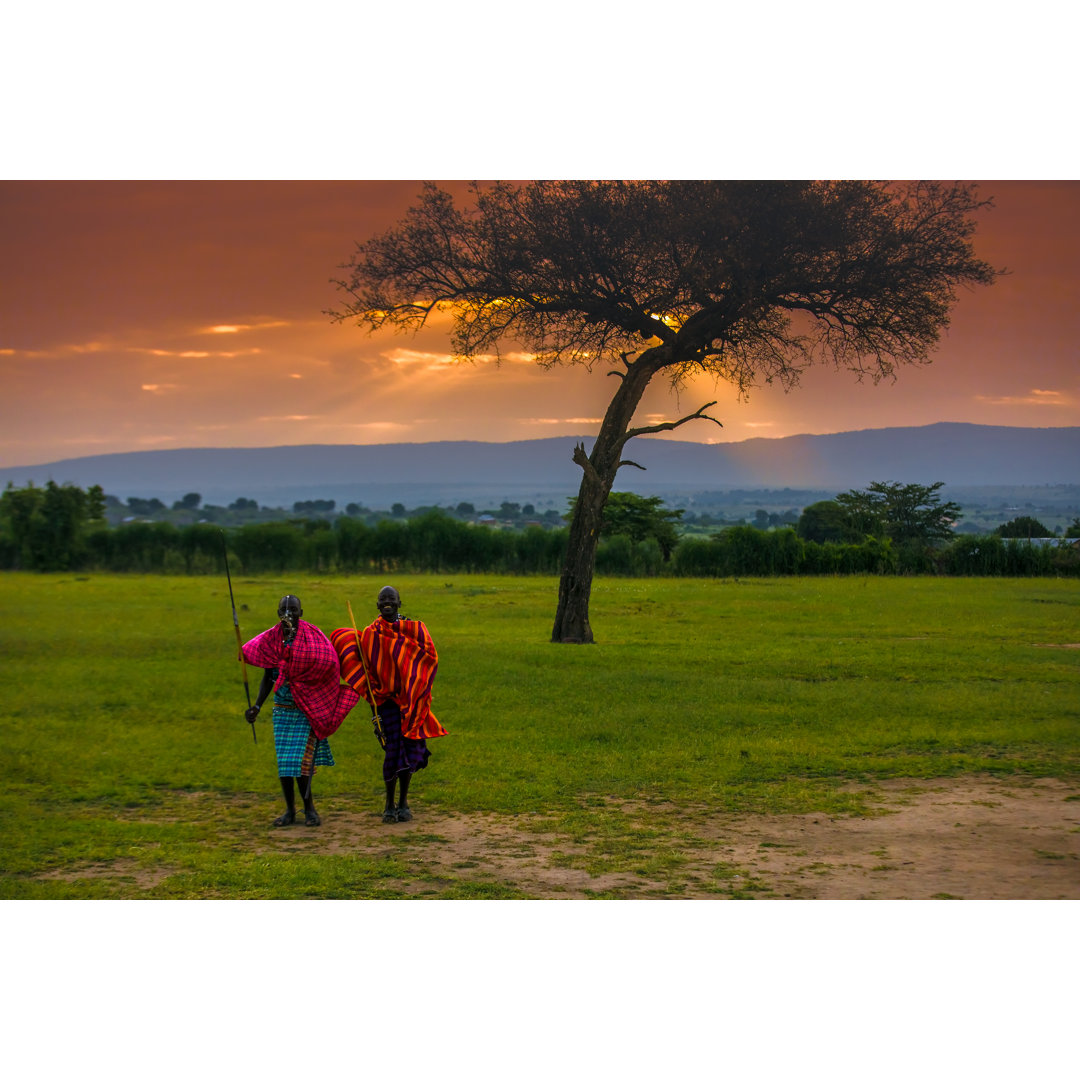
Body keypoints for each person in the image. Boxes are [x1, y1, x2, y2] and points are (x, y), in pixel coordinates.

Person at [331, 586, 447, 823]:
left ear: (399, 603)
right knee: (393, 751)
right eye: (383, 600)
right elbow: (368, 671)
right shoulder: (371, 634)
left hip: (412, 701)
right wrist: (375, 708)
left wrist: (417, 687)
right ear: (377, 605)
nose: (387, 603)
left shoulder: (414, 630)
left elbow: (429, 658)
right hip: (386, 703)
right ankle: (388, 804)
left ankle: (404, 802)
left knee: (410, 750)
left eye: (391, 600)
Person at [242, 594, 359, 827]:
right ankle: (289, 811)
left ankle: (309, 809)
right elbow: (267, 676)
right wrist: (256, 705)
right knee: (285, 764)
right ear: (278, 614)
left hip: (306, 708)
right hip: (282, 710)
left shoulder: (313, 637)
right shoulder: (272, 640)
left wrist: (313, 692)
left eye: (293, 610)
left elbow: (329, 665)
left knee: (303, 764)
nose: (289, 614)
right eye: (284, 610)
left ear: (301, 613)